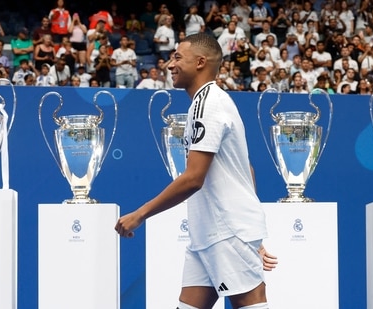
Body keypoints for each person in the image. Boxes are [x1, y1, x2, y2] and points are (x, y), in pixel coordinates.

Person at [115, 33, 276, 309]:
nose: (169, 64)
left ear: (200, 62)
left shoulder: (207, 104)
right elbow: (245, 167)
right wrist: (249, 231)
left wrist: (140, 214)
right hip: (210, 233)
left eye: (177, 57)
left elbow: (193, 179)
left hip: (226, 230)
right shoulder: (210, 102)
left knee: (251, 302)